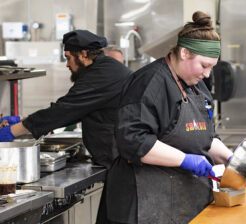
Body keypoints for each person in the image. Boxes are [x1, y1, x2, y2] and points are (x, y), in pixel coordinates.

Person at [97, 11, 233, 224]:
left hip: (181, 201)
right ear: (185, 53)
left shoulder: (198, 86)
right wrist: (185, 159)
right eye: (204, 66)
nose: (207, 74)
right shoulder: (150, 83)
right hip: (141, 204)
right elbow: (133, 141)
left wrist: (230, 158)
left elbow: (205, 135)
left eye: (211, 67)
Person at [0, 30, 132, 169]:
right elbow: (75, 109)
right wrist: (22, 119)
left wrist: (12, 131)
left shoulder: (102, 74)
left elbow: (65, 110)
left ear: (84, 54)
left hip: (122, 160)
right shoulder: (104, 68)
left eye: (68, 58)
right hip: (119, 158)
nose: (67, 64)